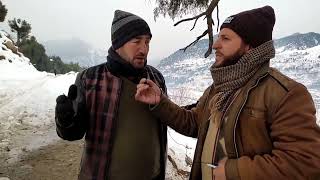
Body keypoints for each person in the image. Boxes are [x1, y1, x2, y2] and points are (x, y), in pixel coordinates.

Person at [135, 6, 320, 180]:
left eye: (225, 38)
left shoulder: (285, 94)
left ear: (250, 46)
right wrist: (160, 102)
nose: (215, 45)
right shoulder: (219, 88)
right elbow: (194, 124)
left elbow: (305, 162)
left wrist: (234, 172)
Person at [55, 10, 167, 180]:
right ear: (118, 44)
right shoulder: (90, 79)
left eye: (147, 42)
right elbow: (73, 134)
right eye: (136, 41)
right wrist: (65, 120)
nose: (144, 49)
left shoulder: (156, 78)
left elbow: (167, 119)